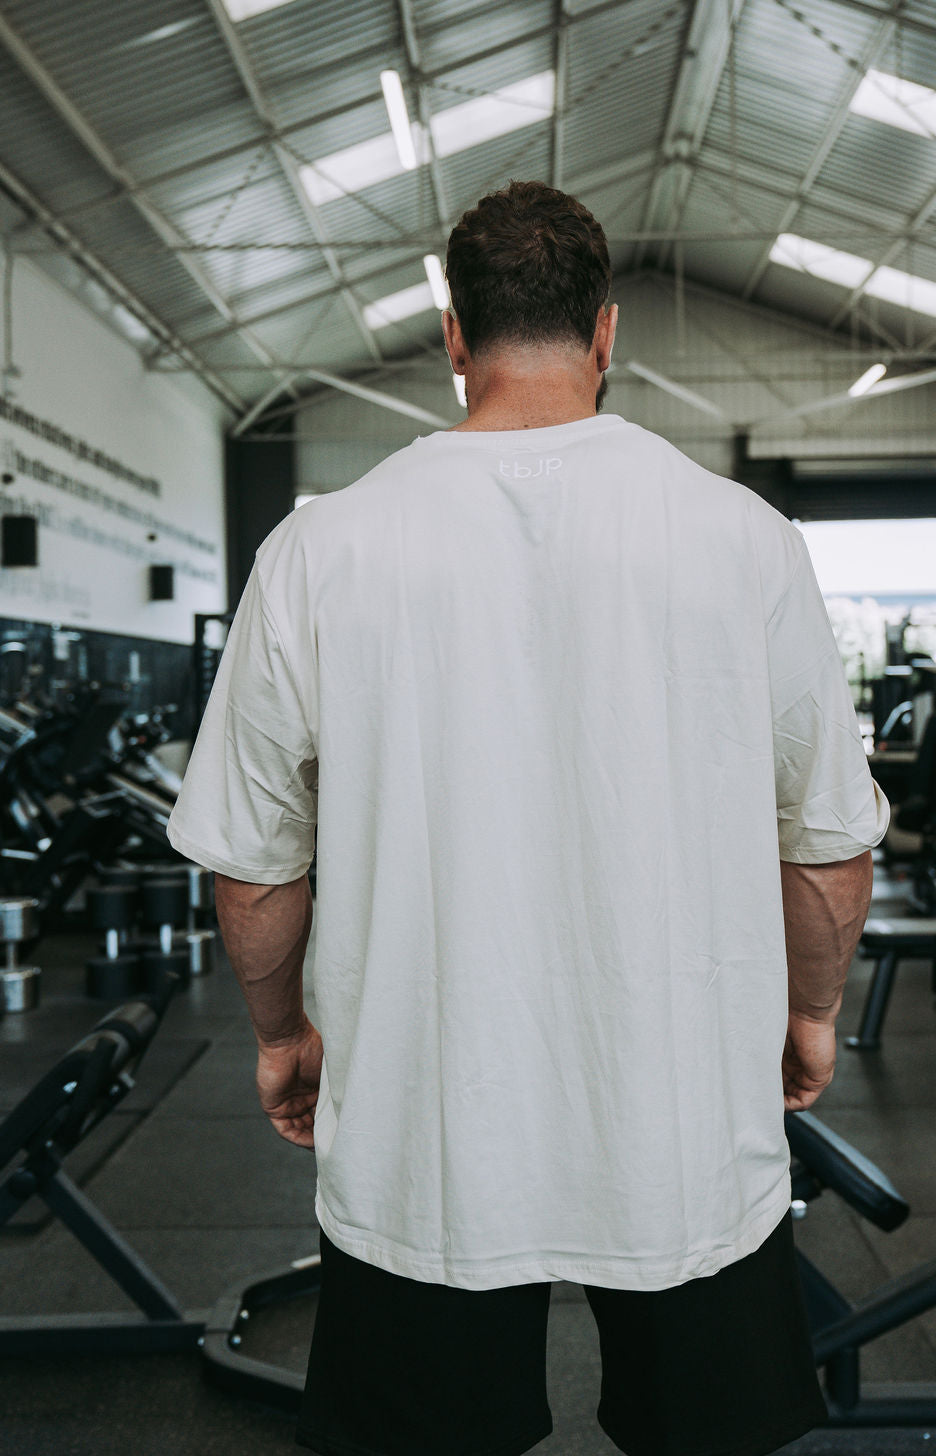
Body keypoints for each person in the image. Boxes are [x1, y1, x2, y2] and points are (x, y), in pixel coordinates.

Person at [167, 180, 889, 1456]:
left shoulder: (320, 547)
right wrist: (814, 1013)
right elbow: (826, 840)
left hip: (419, 1129)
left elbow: (253, 863)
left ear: (453, 337)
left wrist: (281, 1036)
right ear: (607, 334)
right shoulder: (742, 538)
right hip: (681, 1122)